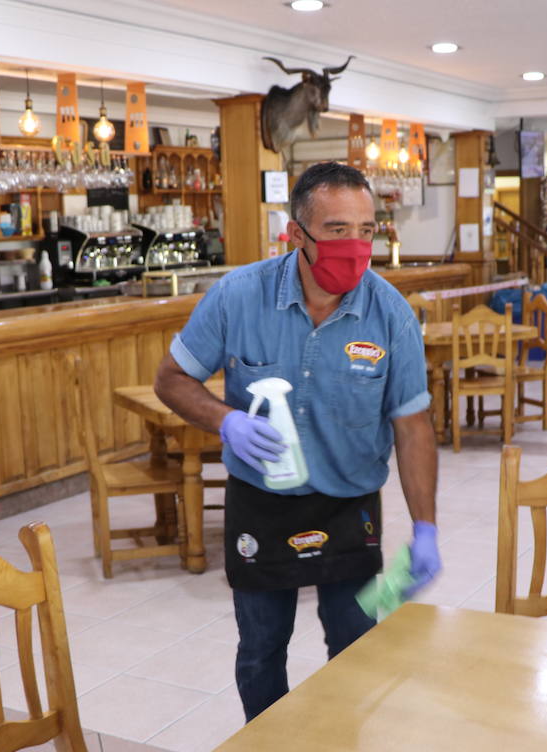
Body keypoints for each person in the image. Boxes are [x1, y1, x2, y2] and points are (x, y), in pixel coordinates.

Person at [153, 161, 441, 722]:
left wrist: (425, 527)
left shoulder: (390, 315)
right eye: (338, 230)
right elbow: (171, 379)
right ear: (296, 234)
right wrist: (226, 420)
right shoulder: (238, 296)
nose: (356, 246)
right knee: (261, 651)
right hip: (259, 505)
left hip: (349, 506)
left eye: (366, 230)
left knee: (356, 646)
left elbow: (412, 428)